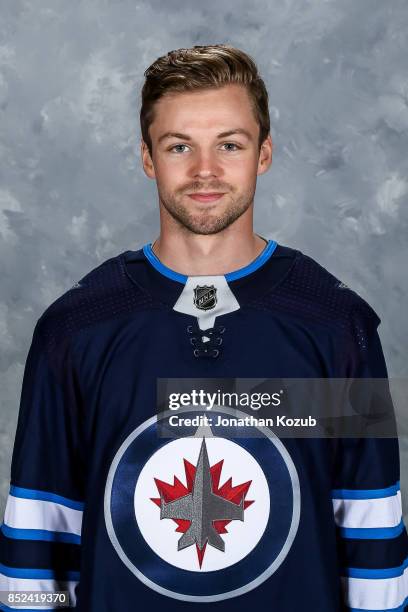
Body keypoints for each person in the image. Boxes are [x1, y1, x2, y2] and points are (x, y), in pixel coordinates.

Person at [0, 44, 407, 612]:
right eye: (179, 146)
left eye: (230, 145)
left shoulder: (338, 326)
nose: (205, 171)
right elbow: (37, 541)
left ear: (263, 154)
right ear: (147, 157)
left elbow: (370, 534)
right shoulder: (75, 329)